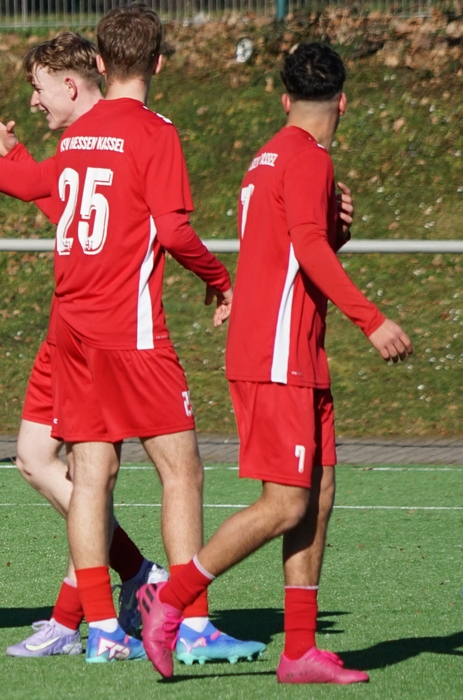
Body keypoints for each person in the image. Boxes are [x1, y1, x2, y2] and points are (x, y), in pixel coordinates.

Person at [0, 6, 261, 664]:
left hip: (76, 330)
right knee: (181, 473)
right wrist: (219, 278)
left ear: (96, 63)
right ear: (158, 63)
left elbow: (40, 188)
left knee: (90, 476)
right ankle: (194, 624)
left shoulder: (79, 138)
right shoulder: (154, 132)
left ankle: (99, 630)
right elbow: (174, 231)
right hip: (130, 330)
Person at [137, 42, 412, 683]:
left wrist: (337, 231)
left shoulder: (268, 155)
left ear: (286, 100)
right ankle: (171, 601)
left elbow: (292, 246)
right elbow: (308, 249)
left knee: (318, 496)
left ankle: (298, 651)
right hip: (279, 351)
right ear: (343, 103)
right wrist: (371, 319)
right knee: (286, 504)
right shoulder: (310, 158)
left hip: (291, 349)